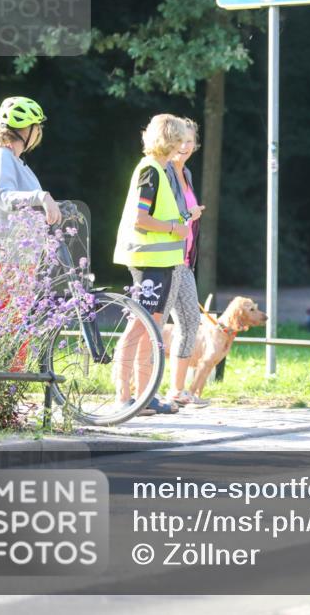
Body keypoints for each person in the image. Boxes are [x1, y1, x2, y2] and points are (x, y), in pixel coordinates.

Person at [112, 114, 202, 415]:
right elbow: (141, 218)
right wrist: (174, 229)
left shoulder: (163, 170)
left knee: (152, 330)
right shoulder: (150, 170)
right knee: (138, 329)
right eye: (180, 139)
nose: (184, 145)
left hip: (164, 262)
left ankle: (145, 395)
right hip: (147, 260)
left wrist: (184, 220)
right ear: (169, 139)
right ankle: (123, 397)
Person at [0, 96, 60, 369]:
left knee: (12, 329)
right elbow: (5, 197)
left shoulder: (13, 159)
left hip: (12, 256)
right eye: (37, 127)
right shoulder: (1, 155)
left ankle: (6, 399)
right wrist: (41, 196)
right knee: (2, 330)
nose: (39, 133)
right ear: (28, 130)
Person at [166, 117, 207, 407]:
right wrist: (188, 216)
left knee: (191, 321)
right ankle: (135, 391)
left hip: (185, 260)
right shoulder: (162, 171)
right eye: (181, 141)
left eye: (191, 141)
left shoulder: (187, 173)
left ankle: (177, 390)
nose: (186, 146)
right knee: (150, 325)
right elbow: (165, 214)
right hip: (164, 258)